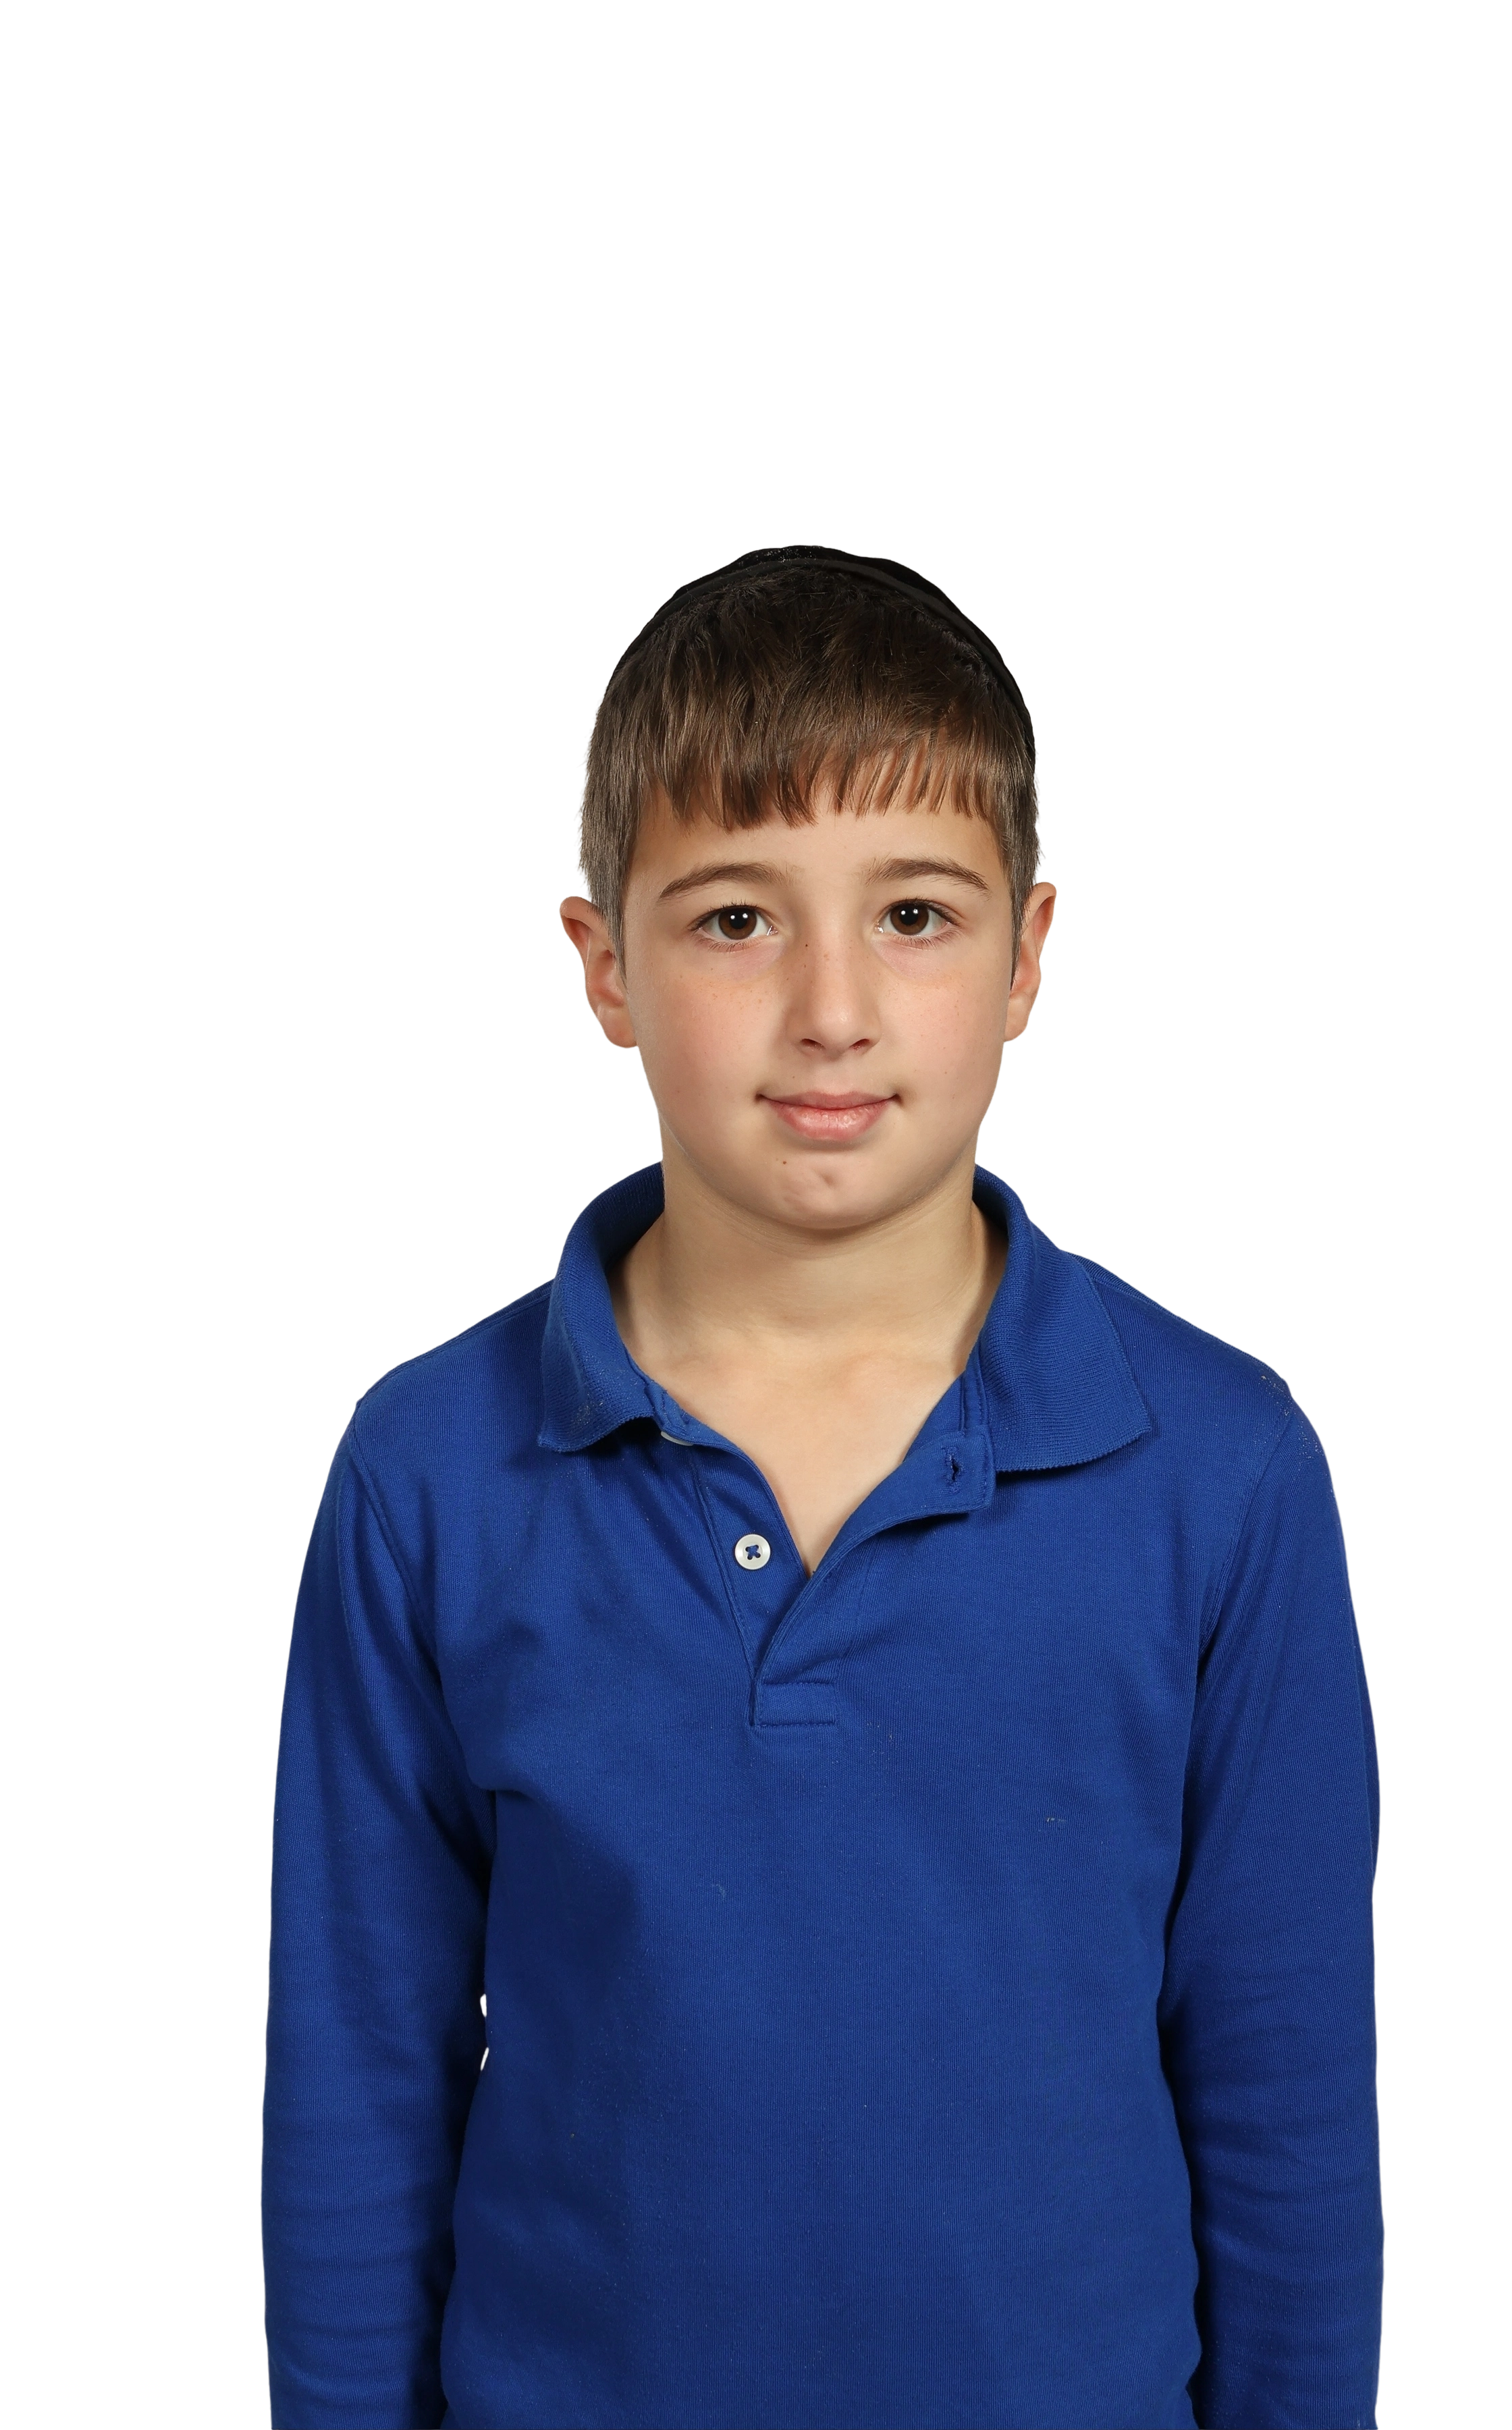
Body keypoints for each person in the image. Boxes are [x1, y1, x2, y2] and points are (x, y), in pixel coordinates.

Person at [260, 543, 1384, 2429]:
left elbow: (1287, 2114)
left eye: (917, 914)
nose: (833, 1008)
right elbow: (359, 2100)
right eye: (735, 920)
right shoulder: (429, 1473)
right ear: (602, 965)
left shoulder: (1218, 1463)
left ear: (1033, 951)